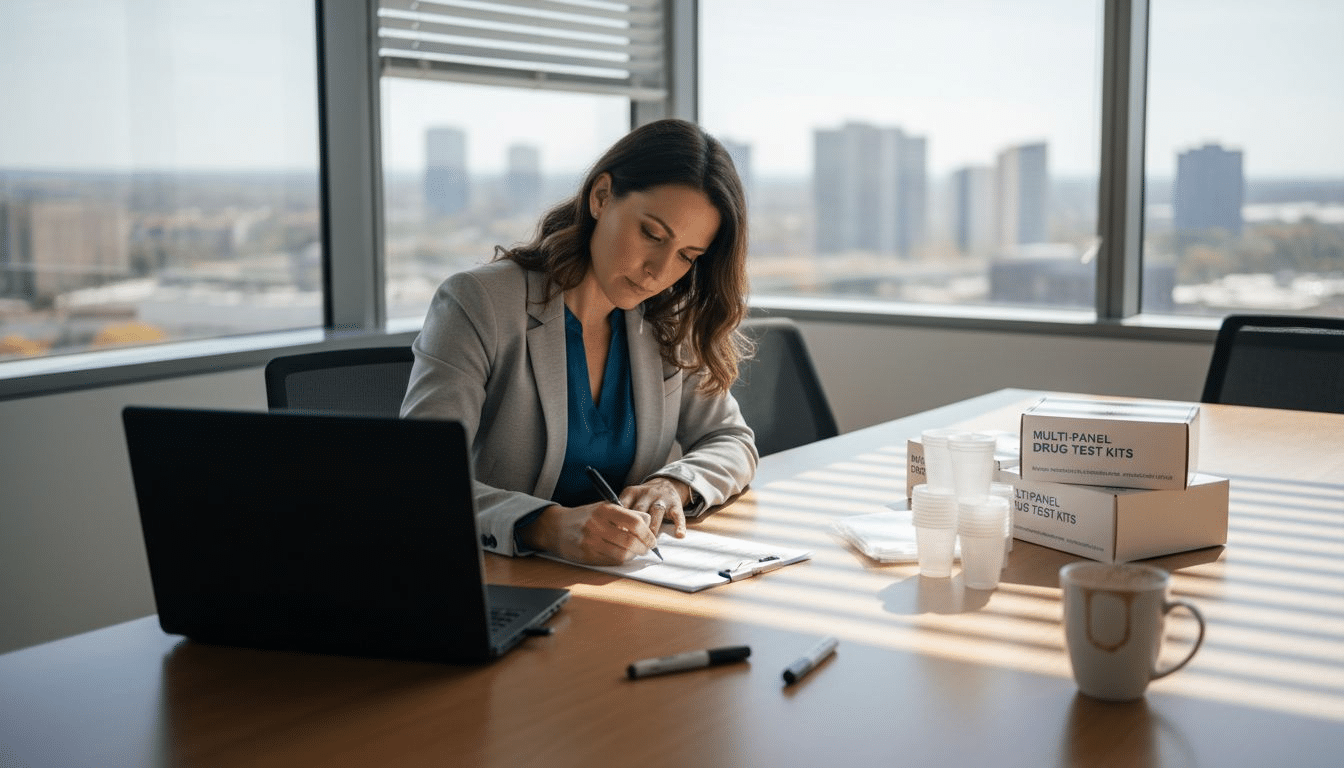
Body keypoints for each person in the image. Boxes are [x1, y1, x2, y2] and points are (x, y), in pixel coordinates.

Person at [401, 118, 758, 566]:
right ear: (602, 196)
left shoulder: (666, 318)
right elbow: (420, 479)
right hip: (494, 577)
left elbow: (731, 439)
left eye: (688, 256)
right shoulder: (480, 303)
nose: (659, 271)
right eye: (651, 234)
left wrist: (675, 483)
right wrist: (547, 525)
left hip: (615, 581)